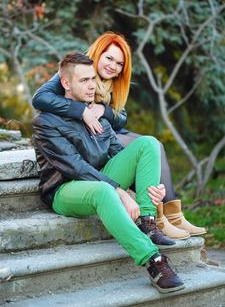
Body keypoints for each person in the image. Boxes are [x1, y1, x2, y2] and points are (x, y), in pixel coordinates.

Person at [32, 52, 185, 293]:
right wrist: (120, 192)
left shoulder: (96, 113)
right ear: (66, 83)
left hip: (101, 176)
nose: (92, 85)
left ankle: (146, 220)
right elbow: (77, 168)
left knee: (148, 143)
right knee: (105, 191)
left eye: (93, 78)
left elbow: (117, 153)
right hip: (65, 188)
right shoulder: (46, 122)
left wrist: (148, 189)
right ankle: (153, 260)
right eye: (84, 81)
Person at [32, 32, 206, 240]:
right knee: (148, 149)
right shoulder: (77, 71)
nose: (113, 66)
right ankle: (160, 217)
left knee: (153, 145)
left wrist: (102, 110)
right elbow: (40, 98)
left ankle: (170, 213)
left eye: (119, 63)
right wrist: (82, 111)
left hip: (106, 132)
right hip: (82, 132)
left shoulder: (112, 83)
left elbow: (121, 117)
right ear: (98, 54)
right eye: (109, 58)